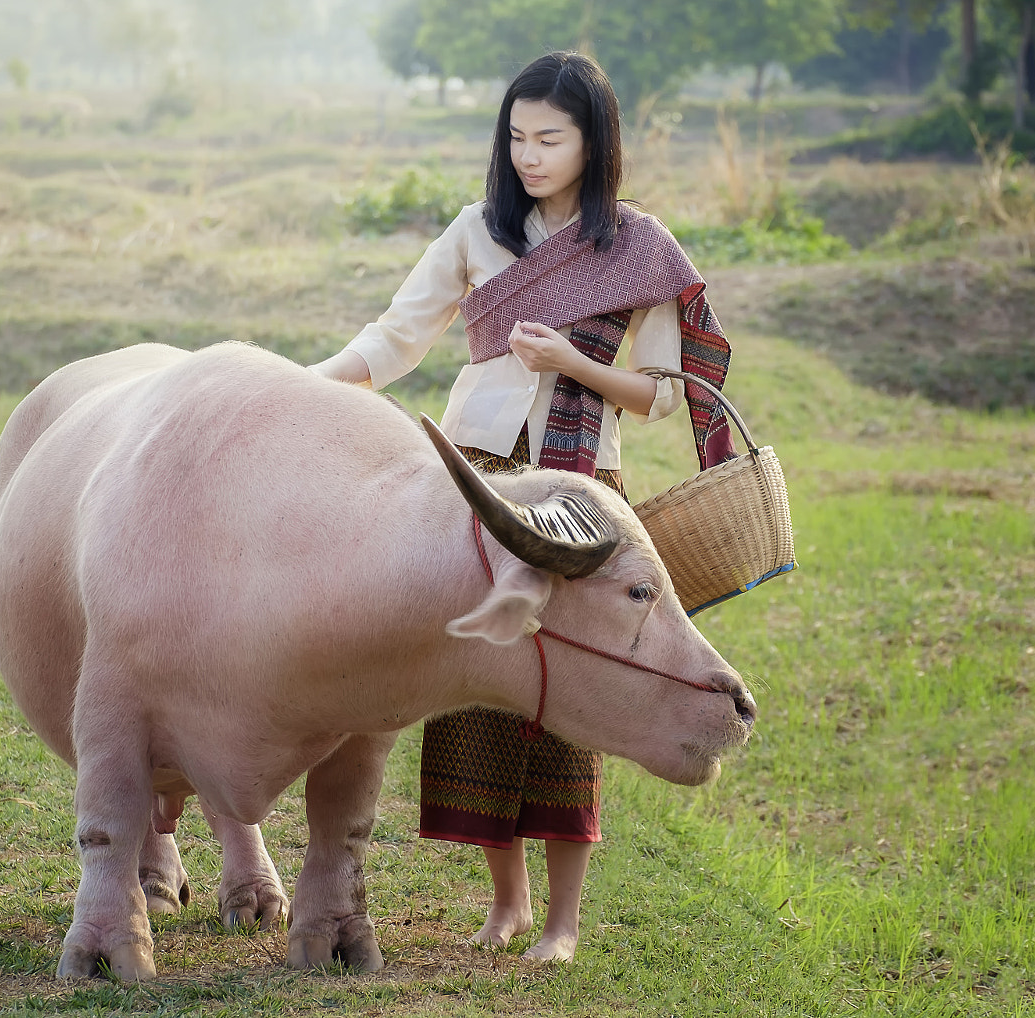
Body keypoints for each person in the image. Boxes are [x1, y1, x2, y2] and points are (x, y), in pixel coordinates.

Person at [311, 51, 735, 962]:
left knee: (575, 698)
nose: (530, 155)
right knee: (475, 688)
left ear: (594, 142)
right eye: (517, 137)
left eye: (551, 137)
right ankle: (504, 906)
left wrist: (574, 365)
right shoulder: (479, 230)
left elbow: (659, 392)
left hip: (583, 498)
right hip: (480, 482)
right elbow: (397, 337)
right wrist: (301, 386)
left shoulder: (637, 245)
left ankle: (562, 922)